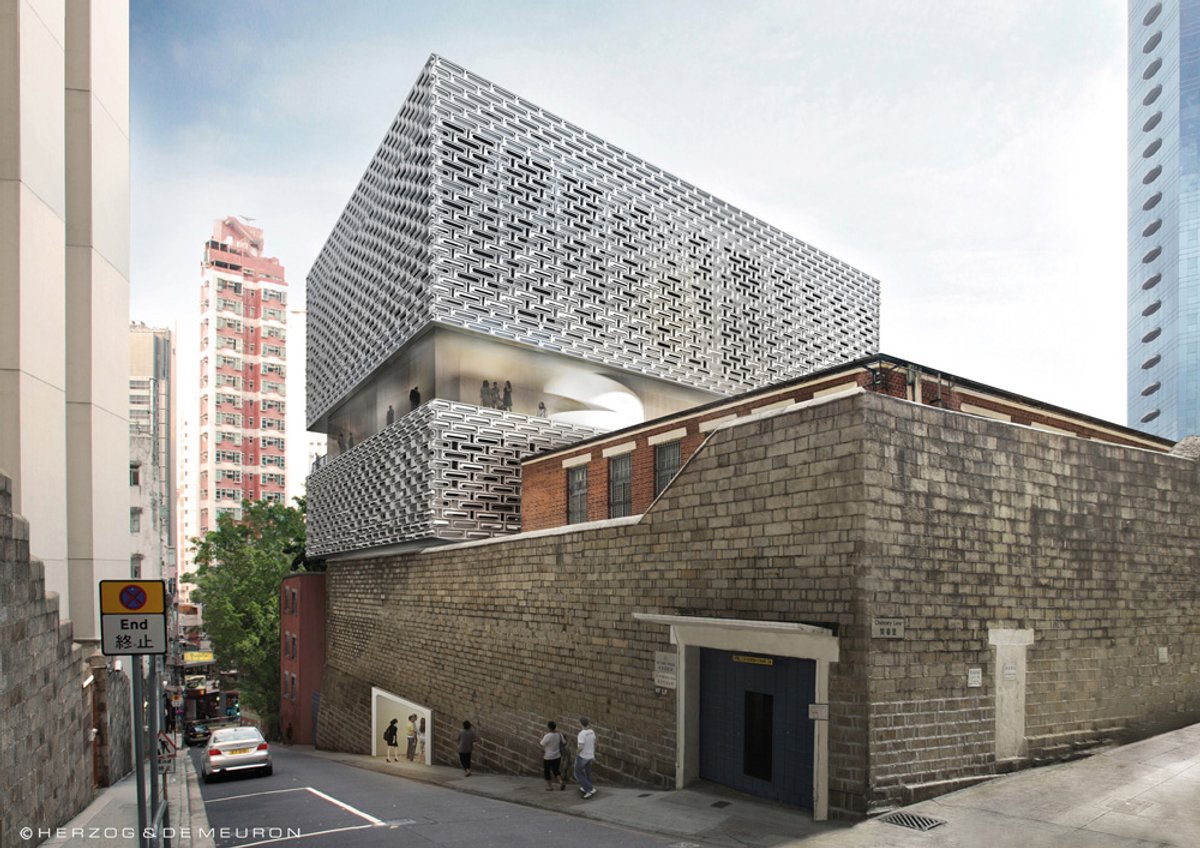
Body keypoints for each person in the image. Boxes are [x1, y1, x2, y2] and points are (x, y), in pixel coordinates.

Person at [539, 720, 567, 790]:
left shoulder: (547, 736)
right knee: (555, 770)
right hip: (557, 756)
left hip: (548, 757)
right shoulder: (559, 734)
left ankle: (549, 786)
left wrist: (542, 736)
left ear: (549, 727)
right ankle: (561, 782)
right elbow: (564, 742)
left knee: (547, 771)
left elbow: (542, 744)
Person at [575, 716, 597, 798]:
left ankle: (589, 790)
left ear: (581, 724)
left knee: (577, 773)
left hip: (583, 756)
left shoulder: (581, 734)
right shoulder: (591, 731)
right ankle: (588, 787)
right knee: (588, 772)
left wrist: (576, 753)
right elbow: (594, 743)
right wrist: (593, 754)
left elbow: (581, 747)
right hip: (590, 755)